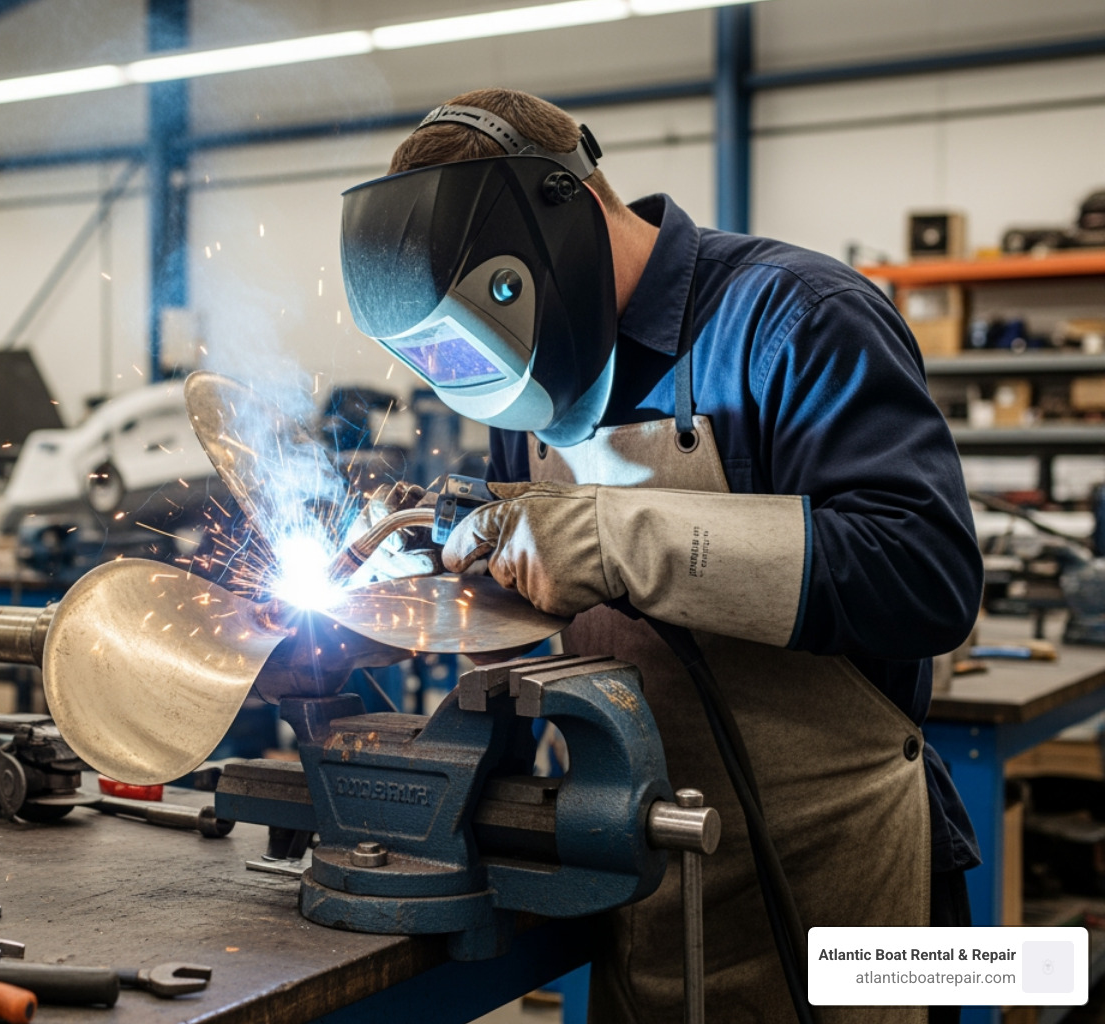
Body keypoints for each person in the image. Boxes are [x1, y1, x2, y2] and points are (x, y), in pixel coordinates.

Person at [339, 88, 983, 1024]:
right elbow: (532, 598)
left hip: (847, 876)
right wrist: (411, 605)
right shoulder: (530, 391)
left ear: (571, 214)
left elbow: (926, 574)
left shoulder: (792, 319)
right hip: (642, 874)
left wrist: (617, 535)